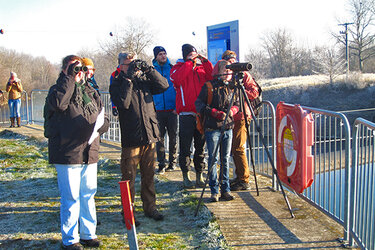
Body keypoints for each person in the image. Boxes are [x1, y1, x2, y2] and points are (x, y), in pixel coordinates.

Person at [46, 55, 108, 250]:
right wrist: (69, 78)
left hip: (89, 151)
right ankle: (70, 239)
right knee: (71, 196)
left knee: (88, 194)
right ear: (65, 69)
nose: (79, 72)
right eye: (74, 68)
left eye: (80, 69)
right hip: (67, 152)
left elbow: (101, 114)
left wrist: (101, 126)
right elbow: (59, 105)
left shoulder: (90, 90)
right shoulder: (58, 90)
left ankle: (88, 234)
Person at [109, 52, 169, 222]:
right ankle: (128, 213)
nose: (133, 67)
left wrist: (149, 69)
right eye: (128, 64)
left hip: (149, 135)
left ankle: (151, 208)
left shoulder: (144, 80)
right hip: (131, 138)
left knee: (149, 176)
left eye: (134, 63)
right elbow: (123, 102)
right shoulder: (117, 82)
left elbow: (164, 85)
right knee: (128, 178)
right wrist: (128, 79)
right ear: (120, 65)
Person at [170, 44, 213, 188]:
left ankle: (199, 175)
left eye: (194, 53)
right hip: (186, 114)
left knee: (200, 147)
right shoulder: (178, 68)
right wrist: (189, 62)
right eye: (190, 53)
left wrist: (205, 62)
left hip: (200, 114)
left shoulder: (201, 68)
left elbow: (211, 76)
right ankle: (185, 175)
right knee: (185, 147)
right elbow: (177, 79)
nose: (194, 56)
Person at [195, 60, 238, 202]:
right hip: (213, 127)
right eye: (225, 70)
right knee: (213, 159)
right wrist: (215, 113)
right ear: (218, 71)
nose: (227, 73)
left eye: (229, 70)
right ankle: (214, 191)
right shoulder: (209, 86)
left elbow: (237, 104)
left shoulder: (233, 87)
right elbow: (199, 104)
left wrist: (233, 110)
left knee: (225, 159)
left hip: (228, 127)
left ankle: (226, 190)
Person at [221, 50, 260, 191]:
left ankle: (244, 180)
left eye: (232, 60)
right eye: (228, 60)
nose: (231, 62)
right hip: (232, 115)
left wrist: (238, 91)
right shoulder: (226, 73)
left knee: (238, 148)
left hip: (242, 115)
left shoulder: (244, 75)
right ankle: (239, 177)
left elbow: (254, 92)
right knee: (234, 148)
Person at [152, 46, 178, 174]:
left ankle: (172, 162)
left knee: (173, 137)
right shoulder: (152, 70)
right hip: (157, 110)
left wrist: (176, 107)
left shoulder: (173, 69)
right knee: (159, 138)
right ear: (156, 56)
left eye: (164, 53)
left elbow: (178, 88)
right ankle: (161, 163)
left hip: (172, 109)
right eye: (160, 54)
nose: (163, 56)